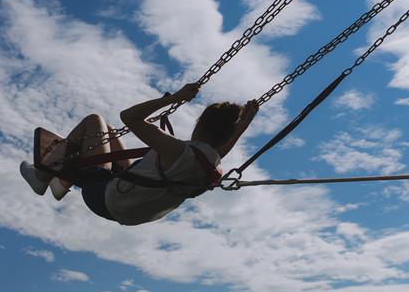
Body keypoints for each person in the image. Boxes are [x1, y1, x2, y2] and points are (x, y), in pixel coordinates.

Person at [19, 82, 258, 225]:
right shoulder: (212, 167)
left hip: (103, 197)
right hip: (132, 205)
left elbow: (129, 116)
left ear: (199, 125)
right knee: (109, 132)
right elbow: (226, 146)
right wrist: (244, 123)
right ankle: (62, 183)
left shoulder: (177, 151)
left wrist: (177, 97)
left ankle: (40, 179)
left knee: (94, 121)